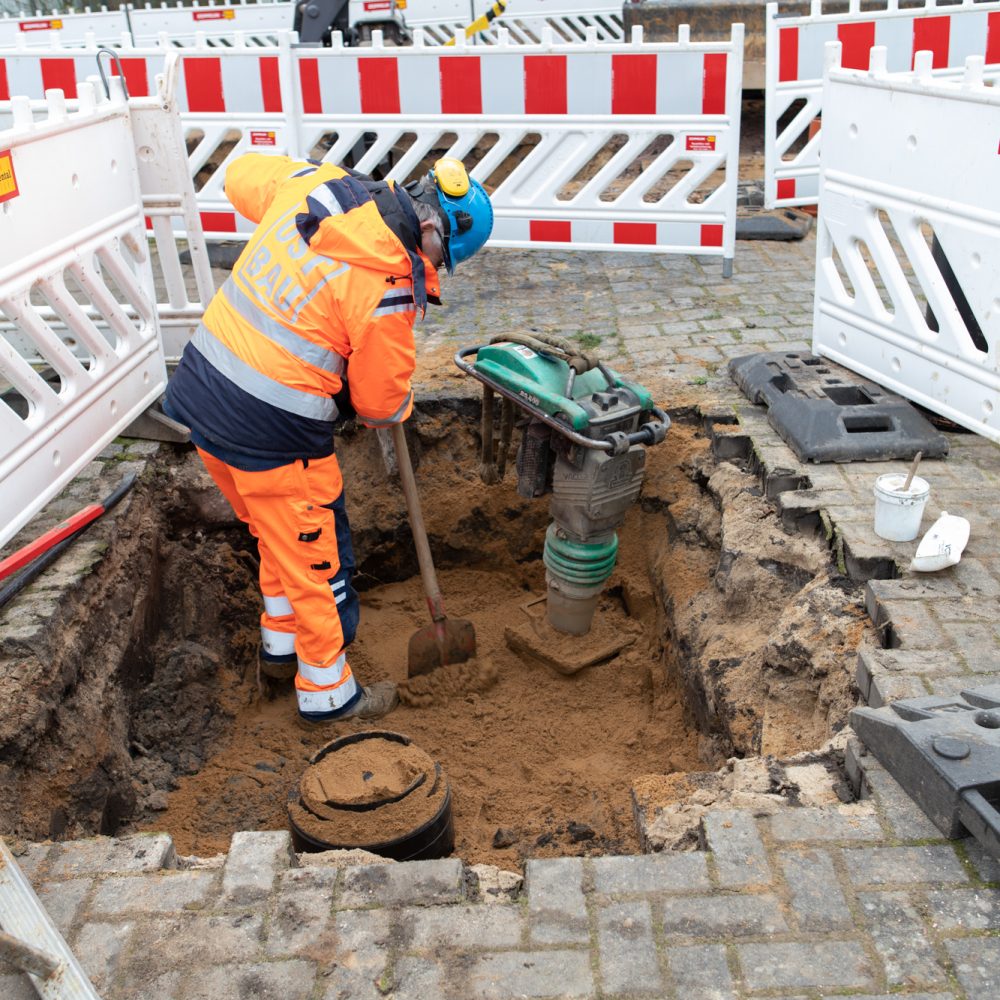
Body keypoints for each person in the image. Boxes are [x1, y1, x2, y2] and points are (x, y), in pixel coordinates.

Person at [164, 153, 493, 724]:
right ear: (434, 231)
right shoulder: (388, 283)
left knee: (273, 534)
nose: (433, 266)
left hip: (203, 396)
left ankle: (280, 647)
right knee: (317, 562)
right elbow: (379, 405)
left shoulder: (320, 186)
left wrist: (307, 173)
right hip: (271, 432)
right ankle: (328, 694)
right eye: (441, 257)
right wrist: (400, 401)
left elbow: (239, 176)